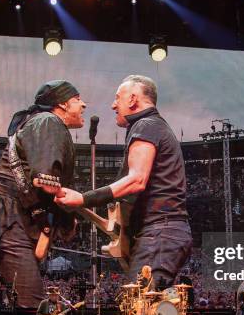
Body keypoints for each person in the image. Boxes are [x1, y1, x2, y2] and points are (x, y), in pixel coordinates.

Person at [55, 75, 192, 289]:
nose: (112, 105)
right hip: (162, 234)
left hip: (159, 233)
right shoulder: (151, 126)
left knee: (139, 308)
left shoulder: (146, 125)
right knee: (144, 308)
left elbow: (137, 180)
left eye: (117, 98)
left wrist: (83, 198)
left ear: (133, 99)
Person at [0, 80, 85, 308]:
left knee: (22, 299)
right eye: (77, 99)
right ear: (62, 104)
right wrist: (72, 212)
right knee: (31, 304)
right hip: (12, 215)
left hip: (12, 212)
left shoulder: (39, 122)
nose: (83, 105)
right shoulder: (48, 121)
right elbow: (46, 181)